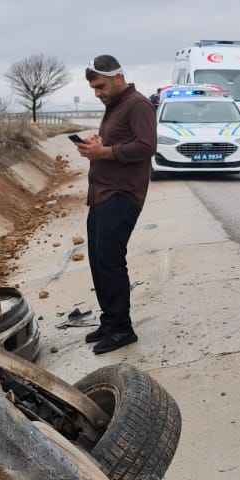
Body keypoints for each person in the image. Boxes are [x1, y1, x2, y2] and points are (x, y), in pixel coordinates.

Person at [77, 55, 157, 354]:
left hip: (122, 195)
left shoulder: (137, 104)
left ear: (118, 78)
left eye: (101, 86)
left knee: (110, 261)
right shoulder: (114, 105)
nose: (97, 93)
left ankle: (122, 329)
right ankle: (110, 321)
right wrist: (97, 145)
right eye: (93, 88)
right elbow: (117, 143)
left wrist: (105, 152)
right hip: (101, 194)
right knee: (98, 260)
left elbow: (147, 146)